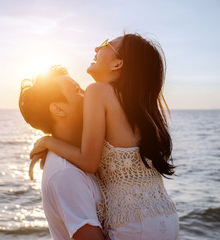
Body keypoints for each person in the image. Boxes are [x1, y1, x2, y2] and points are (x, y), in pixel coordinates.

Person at [30, 34, 179, 239]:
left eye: (105, 44)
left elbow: (88, 162)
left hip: (133, 221)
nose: (95, 49)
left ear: (118, 63)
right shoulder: (137, 107)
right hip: (165, 214)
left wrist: (47, 141)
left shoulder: (98, 92)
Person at [19, 65, 105, 240]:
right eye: (77, 90)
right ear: (58, 109)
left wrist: (47, 141)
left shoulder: (88, 152)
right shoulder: (66, 174)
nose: (87, 92)